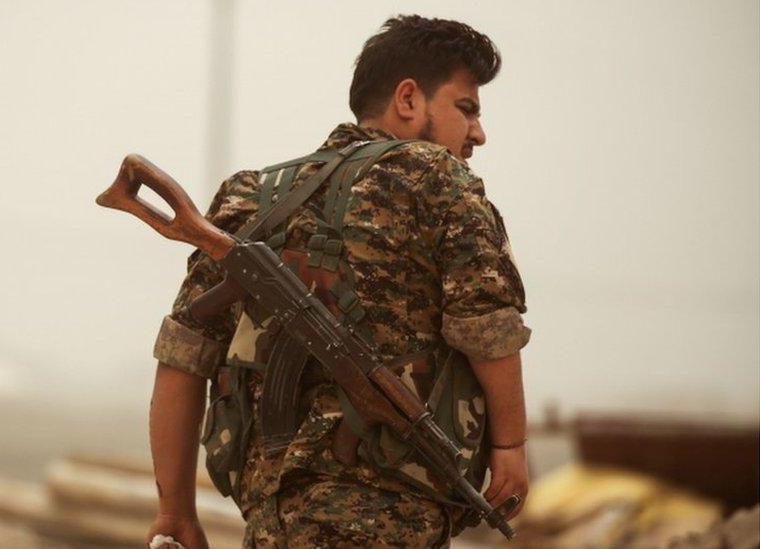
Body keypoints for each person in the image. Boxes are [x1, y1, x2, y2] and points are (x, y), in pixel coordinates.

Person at [145, 15, 530, 548]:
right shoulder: (439, 181)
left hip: (272, 522)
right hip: (389, 517)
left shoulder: (251, 195)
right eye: (466, 109)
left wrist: (176, 512)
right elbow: (488, 329)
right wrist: (511, 447)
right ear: (409, 98)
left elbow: (184, 357)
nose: (478, 133)